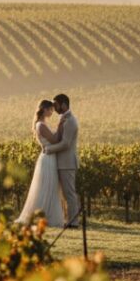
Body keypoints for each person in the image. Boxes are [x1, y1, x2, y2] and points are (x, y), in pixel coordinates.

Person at [14, 99, 65, 227]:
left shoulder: (42, 124)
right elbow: (54, 140)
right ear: (44, 109)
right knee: (47, 187)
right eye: (50, 110)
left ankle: (46, 215)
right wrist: (60, 126)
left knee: (50, 187)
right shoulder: (41, 125)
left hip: (49, 157)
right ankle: (44, 216)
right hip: (48, 159)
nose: (52, 112)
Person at [44, 93, 80, 228]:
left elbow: (65, 143)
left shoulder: (71, 121)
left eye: (56, 105)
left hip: (67, 163)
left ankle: (74, 222)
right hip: (62, 162)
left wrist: (49, 149)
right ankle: (68, 220)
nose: (54, 108)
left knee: (69, 194)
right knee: (65, 194)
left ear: (64, 104)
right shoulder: (64, 119)